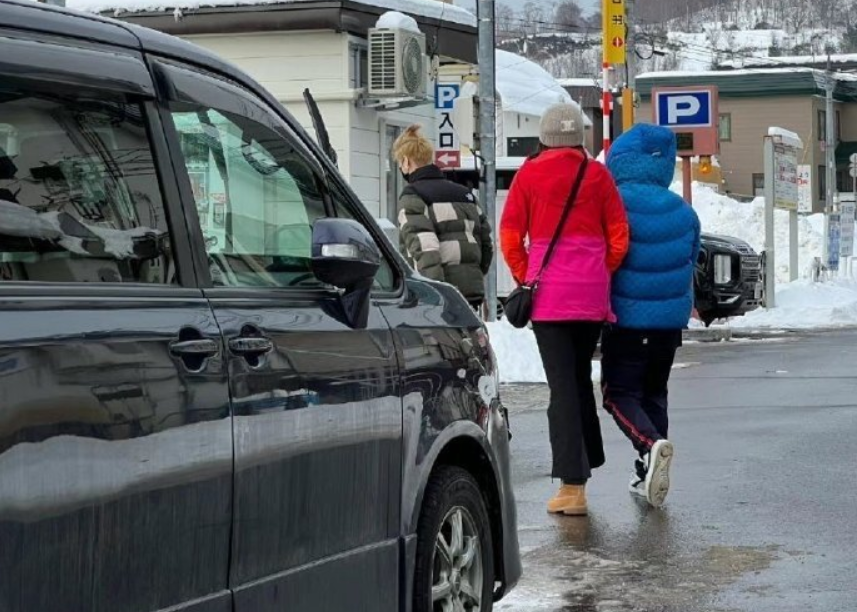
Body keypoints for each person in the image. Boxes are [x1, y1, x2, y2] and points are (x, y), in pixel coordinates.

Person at [500, 103, 629, 516]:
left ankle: (573, 487)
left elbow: (509, 236)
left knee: (562, 387)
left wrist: (528, 275)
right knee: (576, 379)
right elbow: (619, 237)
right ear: (578, 139)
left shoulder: (529, 174)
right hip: (591, 296)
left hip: (550, 299)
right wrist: (596, 270)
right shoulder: (598, 175)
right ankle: (586, 462)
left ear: (545, 137)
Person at [602, 124, 701, 508]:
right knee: (654, 393)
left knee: (618, 394)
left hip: (626, 320)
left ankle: (649, 444)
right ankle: (649, 469)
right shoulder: (684, 211)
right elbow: (690, 260)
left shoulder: (614, 204)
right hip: (668, 324)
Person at [393, 125, 493, 311]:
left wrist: (435, 293)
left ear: (406, 162)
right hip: (472, 291)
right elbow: (486, 243)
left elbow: (425, 249)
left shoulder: (413, 196)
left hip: (441, 296)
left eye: (399, 163)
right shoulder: (465, 194)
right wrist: (475, 274)